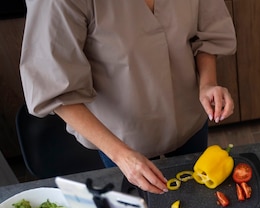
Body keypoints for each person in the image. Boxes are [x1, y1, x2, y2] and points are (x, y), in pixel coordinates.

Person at [20, 0, 236, 194]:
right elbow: (54, 85)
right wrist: (121, 155)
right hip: (122, 138)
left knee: (199, 199)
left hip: (189, 118)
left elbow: (207, 30)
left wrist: (208, 83)